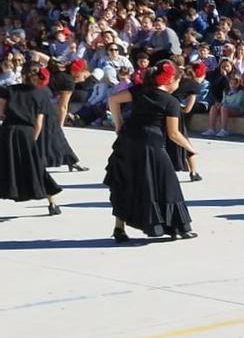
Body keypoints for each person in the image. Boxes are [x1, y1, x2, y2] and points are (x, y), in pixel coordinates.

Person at [104, 61, 195, 241]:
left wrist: (119, 124)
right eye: (178, 81)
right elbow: (174, 134)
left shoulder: (139, 90)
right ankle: (179, 227)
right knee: (167, 184)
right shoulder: (171, 101)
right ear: (170, 81)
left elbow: (113, 99)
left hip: (127, 140)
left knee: (126, 182)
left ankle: (119, 228)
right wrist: (189, 147)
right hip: (151, 144)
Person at [0, 66, 63, 216]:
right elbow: (39, 122)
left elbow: (1, 110)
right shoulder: (41, 94)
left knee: (4, 165)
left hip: (8, 130)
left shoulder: (9, 90)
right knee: (36, 167)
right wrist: (32, 138)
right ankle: (52, 203)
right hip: (27, 132)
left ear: (22, 75)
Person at [37, 61, 85, 171]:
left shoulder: (61, 75)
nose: (85, 75)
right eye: (83, 72)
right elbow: (63, 106)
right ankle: (70, 160)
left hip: (39, 98)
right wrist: (60, 124)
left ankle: (71, 160)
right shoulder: (69, 82)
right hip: (42, 101)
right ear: (76, 72)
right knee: (55, 133)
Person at [168, 62, 205, 182]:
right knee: (184, 141)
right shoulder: (193, 85)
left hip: (163, 110)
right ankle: (193, 172)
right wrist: (180, 108)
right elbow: (188, 109)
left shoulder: (174, 81)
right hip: (175, 114)